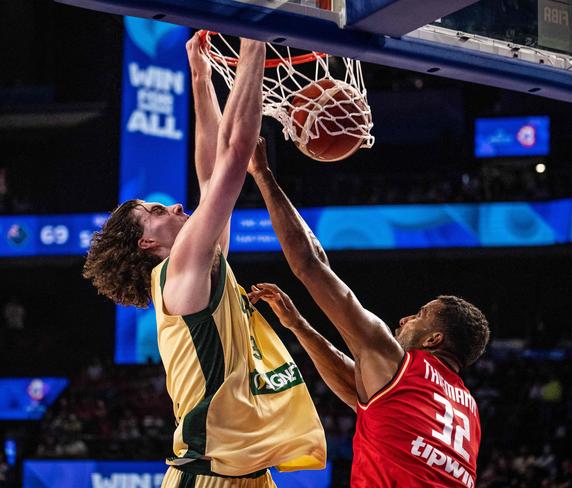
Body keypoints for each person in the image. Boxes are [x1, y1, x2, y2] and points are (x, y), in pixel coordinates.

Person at [83, 34, 325, 487]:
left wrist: (200, 74)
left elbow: (212, 171)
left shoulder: (199, 268)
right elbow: (232, 160)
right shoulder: (177, 273)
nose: (175, 206)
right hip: (208, 474)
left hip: (242, 473)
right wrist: (255, 44)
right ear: (145, 245)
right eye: (155, 213)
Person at [246, 139, 490, 487]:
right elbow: (355, 386)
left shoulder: (395, 360)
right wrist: (299, 326)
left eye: (420, 314)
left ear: (435, 338)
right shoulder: (466, 408)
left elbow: (310, 265)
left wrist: (264, 175)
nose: (405, 319)